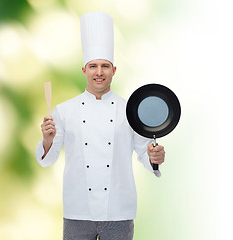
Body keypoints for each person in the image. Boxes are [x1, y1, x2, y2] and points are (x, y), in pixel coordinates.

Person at [36, 11, 165, 240]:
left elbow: (144, 153)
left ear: (114, 71)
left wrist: (154, 158)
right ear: (84, 70)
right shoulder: (64, 111)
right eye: (93, 66)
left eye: (105, 66)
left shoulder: (130, 110)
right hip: (77, 211)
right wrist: (46, 141)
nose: (99, 72)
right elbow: (49, 158)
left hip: (119, 211)